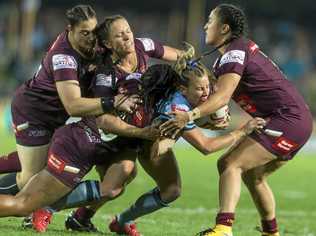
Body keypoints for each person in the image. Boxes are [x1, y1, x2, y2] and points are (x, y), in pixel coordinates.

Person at [159, 4, 313, 236]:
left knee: (230, 164)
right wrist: (212, 117)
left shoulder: (234, 52)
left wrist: (191, 115)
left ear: (224, 28)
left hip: (286, 120)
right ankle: (271, 233)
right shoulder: (232, 55)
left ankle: (223, 228)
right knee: (253, 175)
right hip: (292, 120)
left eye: (210, 21)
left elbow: (222, 96)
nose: (205, 25)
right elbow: (221, 98)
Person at [63, 14, 195, 233]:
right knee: (116, 182)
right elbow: (103, 120)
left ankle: (91, 218)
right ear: (107, 43)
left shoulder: (142, 45)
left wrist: (191, 67)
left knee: (167, 189)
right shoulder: (107, 73)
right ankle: (44, 203)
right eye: (119, 35)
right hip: (113, 137)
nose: (127, 37)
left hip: (141, 133)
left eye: (128, 30)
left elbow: (178, 56)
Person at [105, 63, 265, 236]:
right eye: (199, 89)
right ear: (183, 90)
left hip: (151, 136)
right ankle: (120, 221)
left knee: (163, 189)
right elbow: (206, 147)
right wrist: (242, 131)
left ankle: (112, 220)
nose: (205, 93)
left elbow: (200, 78)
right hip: (151, 145)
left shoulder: (188, 88)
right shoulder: (178, 109)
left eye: (206, 87)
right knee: (170, 190)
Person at [0, 5, 139, 196]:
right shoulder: (63, 57)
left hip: (55, 114)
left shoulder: (93, 43)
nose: (91, 38)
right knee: (29, 181)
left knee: (41, 159)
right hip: (33, 113)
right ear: (69, 30)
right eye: (84, 33)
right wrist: (112, 101)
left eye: (93, 31)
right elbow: (73, 106)